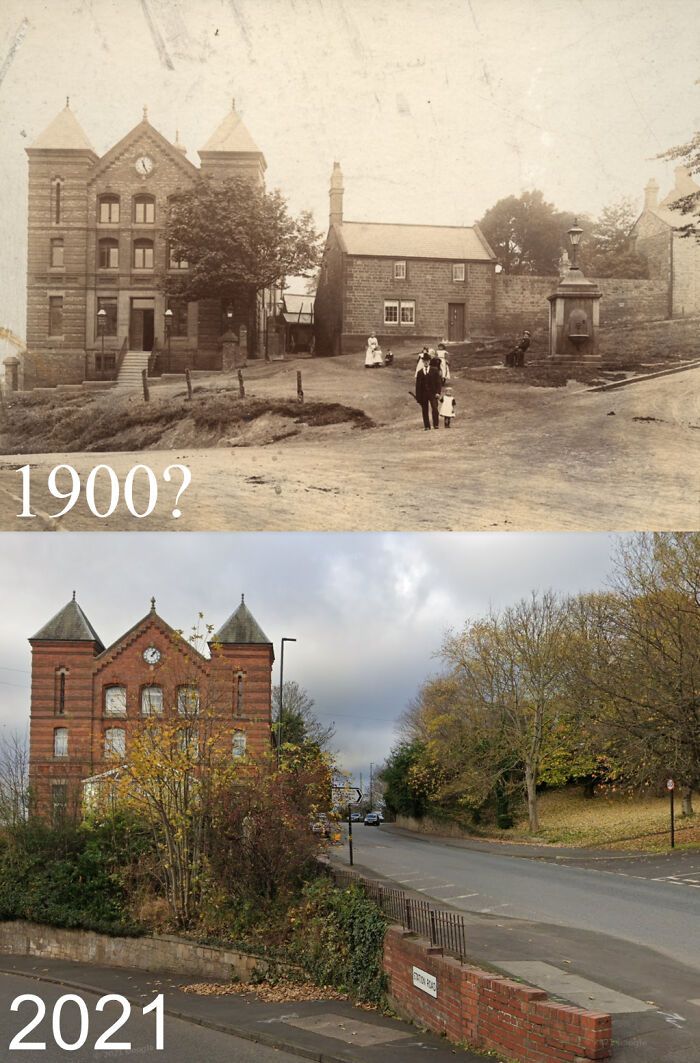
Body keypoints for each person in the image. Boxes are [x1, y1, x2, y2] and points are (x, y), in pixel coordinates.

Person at [414, 350, 440, 430]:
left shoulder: (435, 370)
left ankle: (436, 424)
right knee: (425, 410)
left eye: (427, 361)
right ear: (422, 361)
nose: (426, 362)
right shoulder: (420, 372)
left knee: (435, 409)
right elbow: (418, 386)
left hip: (433, 393)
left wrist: (438, 392)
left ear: (429, 361)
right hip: (423, 394)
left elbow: (438, 383)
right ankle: (427, 426)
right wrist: (418, 397)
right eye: (424, 361)